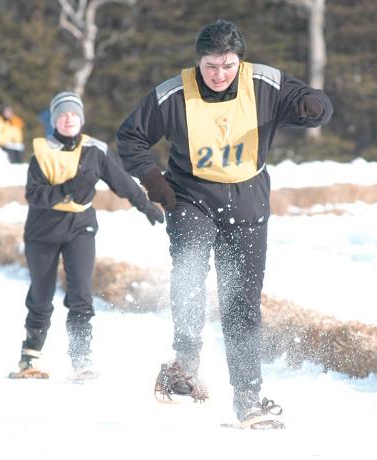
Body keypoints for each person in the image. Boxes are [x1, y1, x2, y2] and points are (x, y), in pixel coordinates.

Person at [116, 19, 333, 428]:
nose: (219, 74)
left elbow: (309, 99)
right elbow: (129, 137)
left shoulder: (264, 83)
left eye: (228, 64)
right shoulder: (173, 93)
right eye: (211, 65)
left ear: (240, 61)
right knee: (190, 272)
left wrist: (315, 107)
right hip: (191, 197)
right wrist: (154, 182)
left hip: (248, 201)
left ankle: (248, 399)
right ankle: (184, 363)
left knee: (242, 303)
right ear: (198, 62)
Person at [9, 91, 164, 380]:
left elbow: (122, 182)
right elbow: (34, 195)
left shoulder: (96, 150)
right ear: (55, 120)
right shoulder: (42, 153)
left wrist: (147, 207)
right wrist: (69, 187)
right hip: (42, 230)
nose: (69, 119)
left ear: (81, 118)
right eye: (63, 114)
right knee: (41, 296)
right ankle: (29, 359)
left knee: (80, 294)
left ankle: (82, 360)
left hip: (80, 228)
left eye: (74, 114)